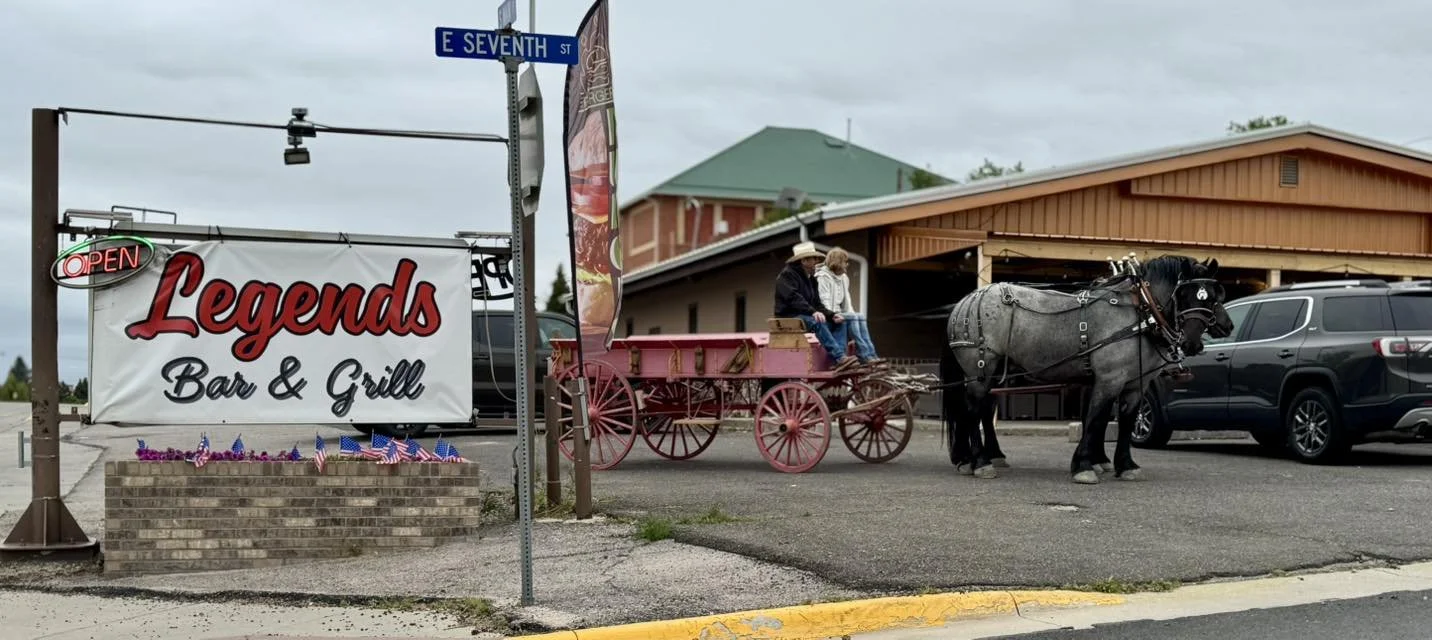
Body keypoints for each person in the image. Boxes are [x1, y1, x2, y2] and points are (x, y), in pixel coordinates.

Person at [774, 242, 857, 370]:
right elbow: (794, 298)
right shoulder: (787, 275)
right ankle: (840, 357)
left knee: (841, 322)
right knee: (817, 321)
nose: (817, 261)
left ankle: (838, 361)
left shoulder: (811, 279)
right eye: (814, 258)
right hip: (789, 317)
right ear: (804, 261)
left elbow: (817, 304)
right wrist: (813, 312)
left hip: (805, 316)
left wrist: (832, 315)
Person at [815, 247, 882, 365]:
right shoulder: (822, 277)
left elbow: (847, 302)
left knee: (859, 315)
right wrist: (833, 315)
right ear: (839, 262)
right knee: (852, 317)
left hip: (839, 313)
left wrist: (850, 313)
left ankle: (872, 354)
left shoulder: (844, 278)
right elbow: (823, 301)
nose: (847, 265)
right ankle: (864, 355)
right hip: (828, 314)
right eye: (845, 262)